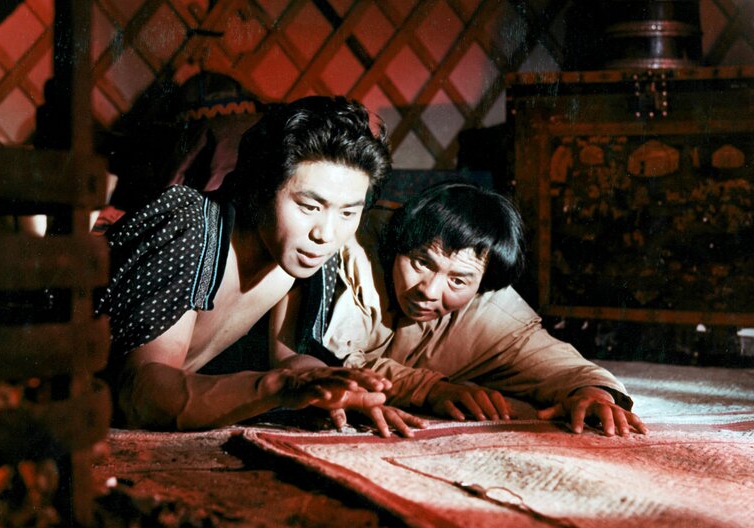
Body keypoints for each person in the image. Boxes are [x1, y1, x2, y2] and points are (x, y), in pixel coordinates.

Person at [97, 96, 395, 430]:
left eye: (348, 212)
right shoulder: (189, 224)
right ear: (261, 188)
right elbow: (141, 392)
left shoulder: (308, 252)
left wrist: (337, 386)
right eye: (309, 207)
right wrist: (278, 387)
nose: (326, 233)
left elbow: (288, 357)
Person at [271, 181, 648, 438]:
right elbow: (326, 359)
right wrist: (429, 389)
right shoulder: (352, 256)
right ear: (399, 246)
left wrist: (594, 394)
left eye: (458, 281)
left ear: (483, 285)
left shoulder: (494, 311)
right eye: (421, 262)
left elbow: (565, 367)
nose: (428, 291)